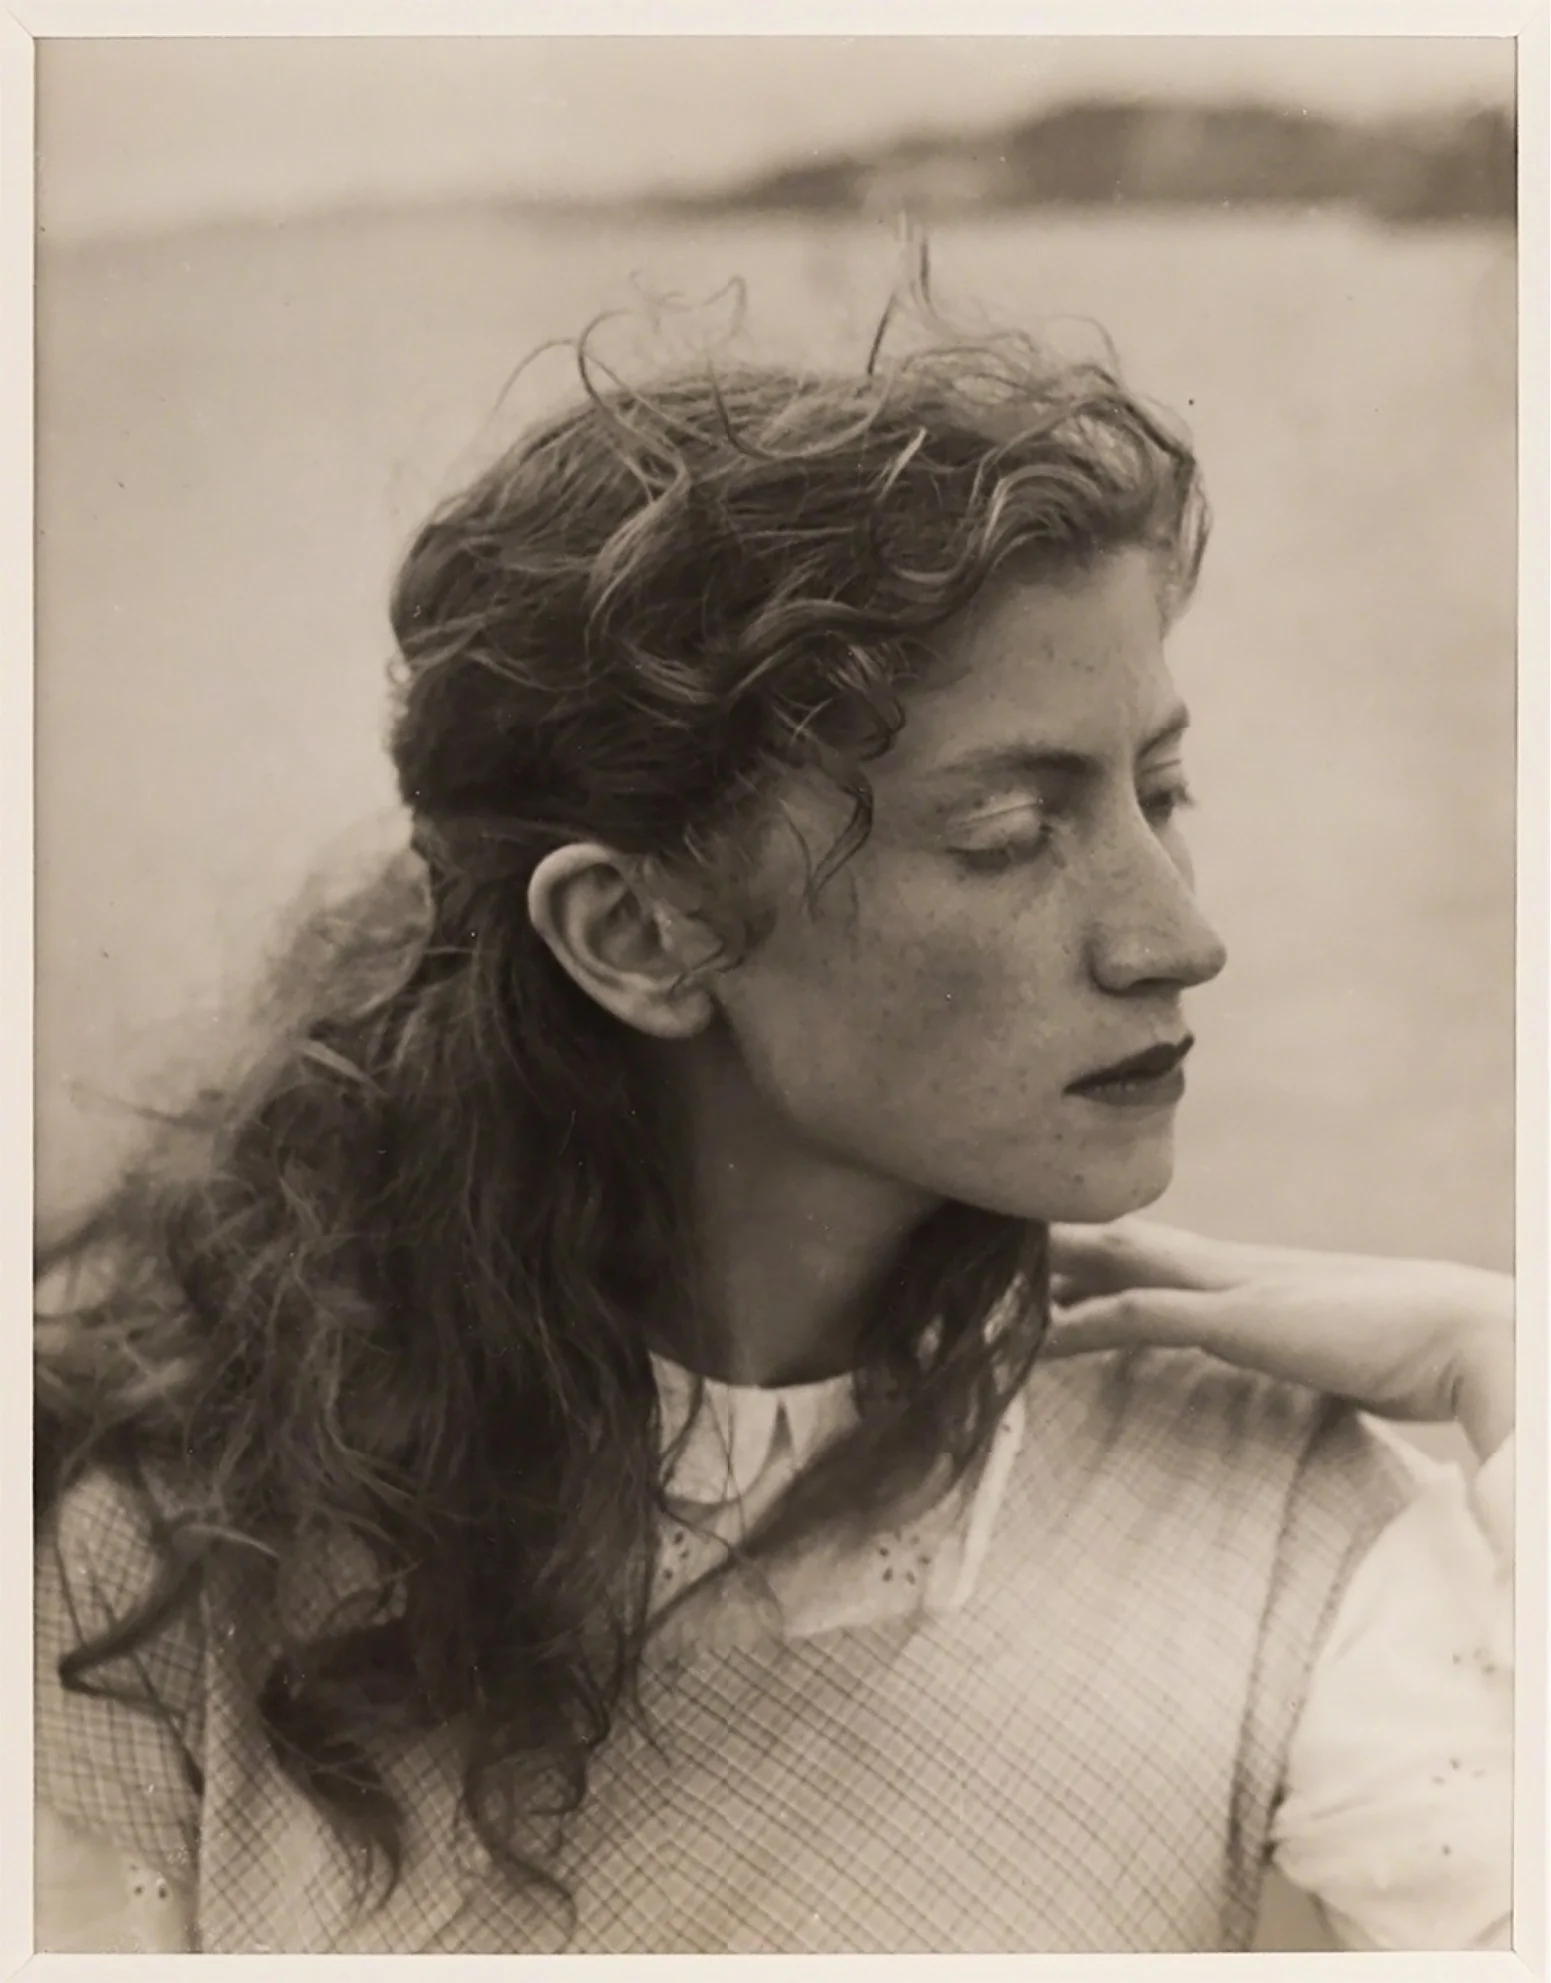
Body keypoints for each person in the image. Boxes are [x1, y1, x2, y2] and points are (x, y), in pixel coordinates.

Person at [33, 300, 1514, 1955]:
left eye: (1157, 793)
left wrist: (1511, 1379)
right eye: (1016, 831)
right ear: (637, 936)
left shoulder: (1284, 1519)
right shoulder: (145, 1557)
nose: (1173, 934)